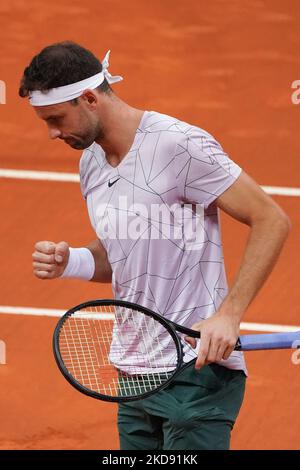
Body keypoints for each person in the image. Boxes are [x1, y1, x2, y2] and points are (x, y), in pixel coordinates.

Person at [19, 41, 290, 450]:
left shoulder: (178, 145)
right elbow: (125, 255)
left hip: (196, 373)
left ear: (90, 98)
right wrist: (72, 261)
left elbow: (271, 219)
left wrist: (229, 315)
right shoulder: (90, 162)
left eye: (56, 118)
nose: (53, 133)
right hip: (134, 373)